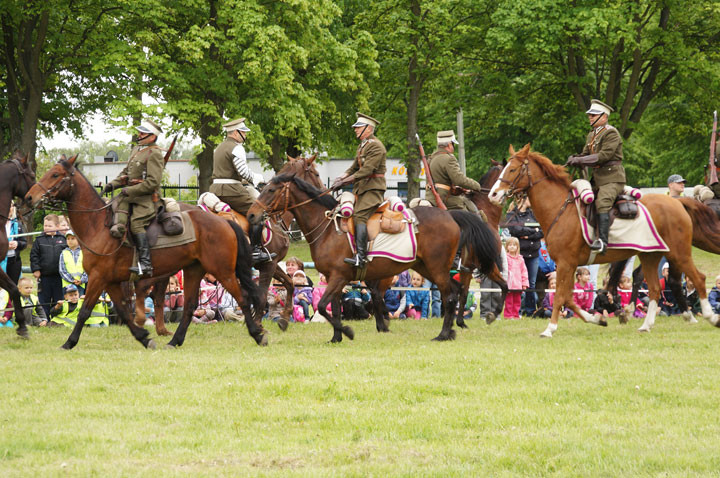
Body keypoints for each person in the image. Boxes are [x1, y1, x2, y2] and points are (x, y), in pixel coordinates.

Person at [103, 120, 166, 276]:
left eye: (143, 133)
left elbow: (153, 182)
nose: (139, 135)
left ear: (152, 137)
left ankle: (145, 264)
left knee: (136, 223)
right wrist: (112, 185)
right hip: (129, 196)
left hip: (146, 199)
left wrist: (129, 191)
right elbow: (126, 173)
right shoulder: (137, 149)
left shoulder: (154, 153)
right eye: (140, 132)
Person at [209, 117, 271, 265]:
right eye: (244, 132)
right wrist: (258, 179)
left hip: (215, 188)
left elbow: (226, 171)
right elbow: (243, 171)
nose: (245, 135)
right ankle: (255, 250)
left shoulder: (219, 147)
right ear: (236, 133)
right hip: (231, 190)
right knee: (259, 211)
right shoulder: (237, 147)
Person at [567, 99, 625, 254]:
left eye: (594, 115)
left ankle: (602, 243)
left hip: (613, 179)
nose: (590, 118)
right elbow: (586, 155)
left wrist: (581, 159)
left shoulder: (611, 132)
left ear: (604, 117)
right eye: (590, 115)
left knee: (603, 202)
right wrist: (575, 159)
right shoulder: (592, 135)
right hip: (598, 180)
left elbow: (604, 156)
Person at [331, 113, 387, 267]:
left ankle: (361, 257)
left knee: (359, 217)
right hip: (362, 189)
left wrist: (344, 182)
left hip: (373, 189)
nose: (355, 130)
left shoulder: (376, 146)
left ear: (368, 129)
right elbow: (354, 167)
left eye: (358, 127)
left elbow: (366, 171)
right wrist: (340, 178)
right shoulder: (363, 145)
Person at [426, 130, 482, 212]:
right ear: (449, 145)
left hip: (430, 197)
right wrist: (477, 186)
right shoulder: (449, 158)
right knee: (472, 214)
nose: (453, 147)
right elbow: (459, 180)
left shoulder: (431, 158)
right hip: (445, 198)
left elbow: (440, 181)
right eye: (453, 144)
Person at [507, 198, 542, 316]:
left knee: (530, 283)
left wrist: (526, 234)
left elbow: (541, 231)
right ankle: (518, 310)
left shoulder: (535, 214)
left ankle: (530, 310)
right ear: (521, 199)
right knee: (517, 283)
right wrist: (532, 230)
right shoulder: (512, 215)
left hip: (534, 254)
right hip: (518, 256)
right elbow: (515, 230)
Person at [30, 214, 67, 317]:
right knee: (44, 300)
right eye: (45, 225)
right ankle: (45, 319)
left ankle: (57, 318)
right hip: (44, 276)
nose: (46, 228)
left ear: (57, 226)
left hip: (59, 276)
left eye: (49, 226)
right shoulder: (39, 240)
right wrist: (36, 269)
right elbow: (34, 256)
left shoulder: (63, 239)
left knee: (58, 298)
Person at [1, 202, 27, 285]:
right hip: (1, 261)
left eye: (11, 206)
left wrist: (17, 243)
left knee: (13, 287)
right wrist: (5, 246)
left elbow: (24, 243)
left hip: (14, 262)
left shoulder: (17, 224)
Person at [503, 237, 528, 320]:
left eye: (514, 245)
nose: (512, 247)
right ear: (506, 247)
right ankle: (508, 315)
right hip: (509, 284)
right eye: (510, 245)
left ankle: (516, 314)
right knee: (509, 301)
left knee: (517, 301)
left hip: (518, 285)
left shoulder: (520, 259)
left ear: (517, 247)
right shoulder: (505, 258)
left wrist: (524, 284)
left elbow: (524, 272)